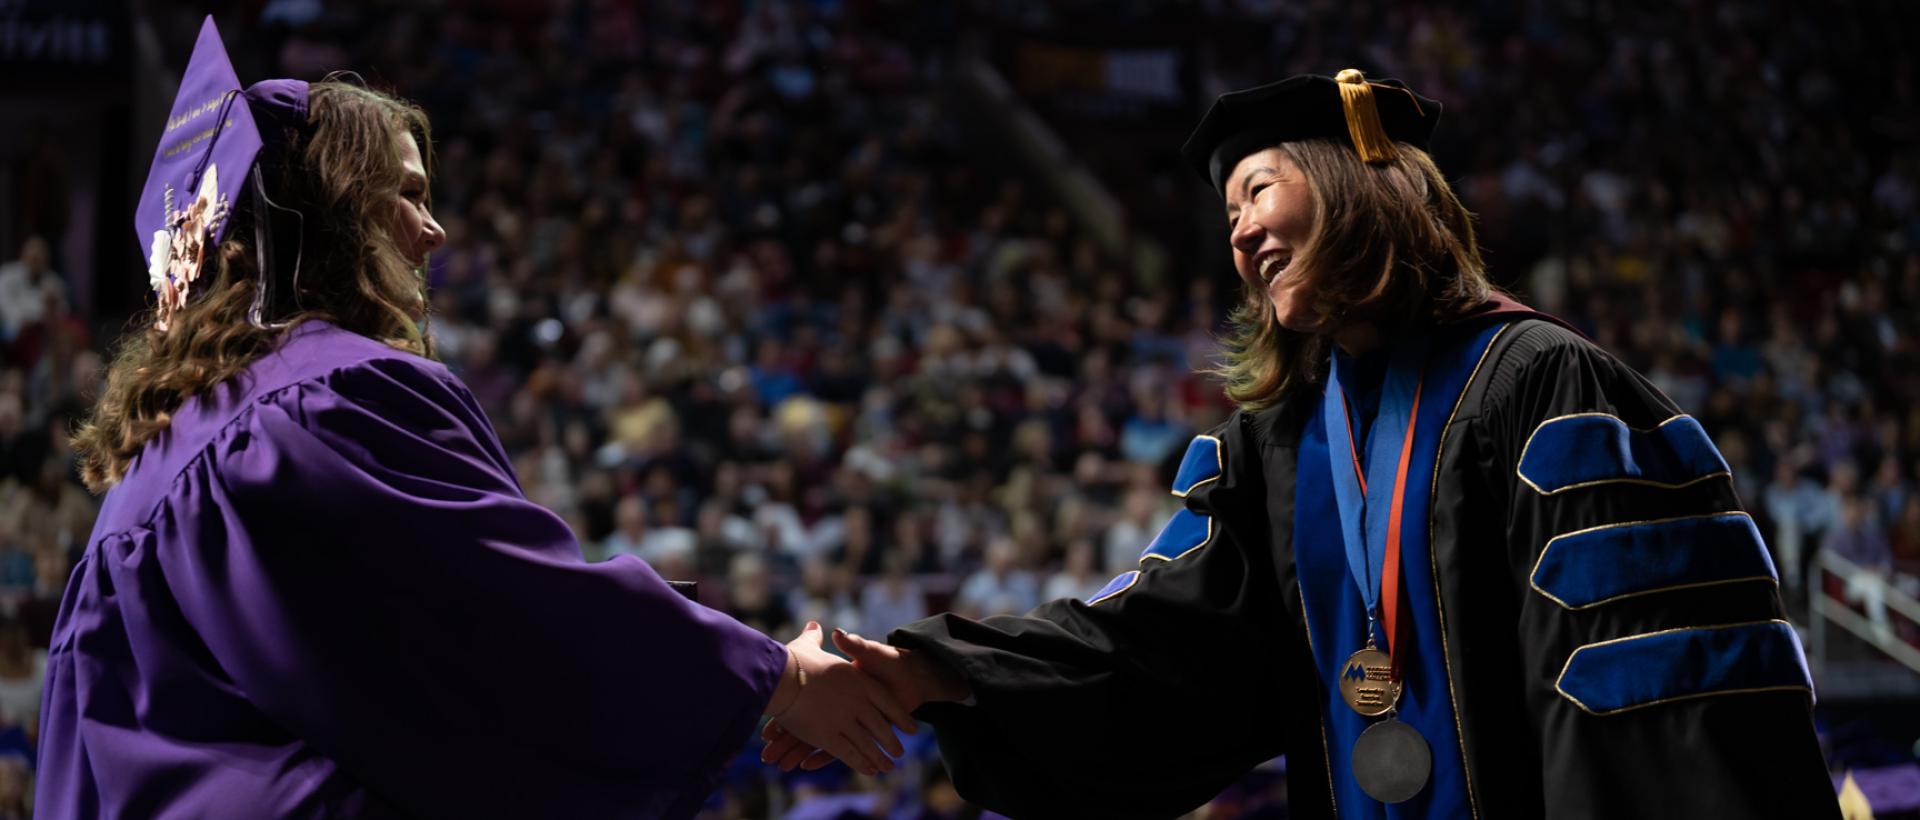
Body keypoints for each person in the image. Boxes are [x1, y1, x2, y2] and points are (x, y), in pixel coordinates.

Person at [766, 70, 1839, 818]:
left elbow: (1658, 703)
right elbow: (1159, 649)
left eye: (1257, 189)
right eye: (1226, 213)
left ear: (1356, 177)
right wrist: (927, 671)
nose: (1236, 230)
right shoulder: (1277, 450)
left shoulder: (1543, 386)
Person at [40, 18, 908, 818]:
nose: (435, 229)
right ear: (322, 209)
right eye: (405, 193)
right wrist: (776, 677)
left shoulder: (143, 473)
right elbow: (511, 620)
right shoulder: (327, 397)